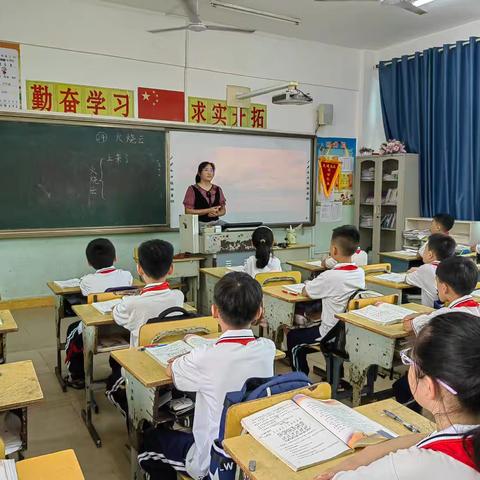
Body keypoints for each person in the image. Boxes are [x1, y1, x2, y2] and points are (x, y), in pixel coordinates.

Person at [138, 272, 276, 480]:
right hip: (250, 452)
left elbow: (171, 370)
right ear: (259, 313)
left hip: (214, 462)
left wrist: (192, 351)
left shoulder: (203, 358)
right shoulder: (267, 348)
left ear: (214, 311)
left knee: (151, 441)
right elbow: (232, 349)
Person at [315, 312, 480, 479]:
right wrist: (373, 451)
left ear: (430, 387)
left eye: (409, 361)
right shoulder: (465, 434)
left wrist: (348, 465)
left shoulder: (413, 466)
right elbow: (429, 437)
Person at [105, 239, 184, 415]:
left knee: (111, 386)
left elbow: (117, 316)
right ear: (171, 269)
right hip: (171, 364)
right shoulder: (178, 297)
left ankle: (137, 416)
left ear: (139, 269)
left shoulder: (131, 303)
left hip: (141, 369)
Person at [287, 225, 365, 375]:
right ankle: (337, 374)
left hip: (329, 334)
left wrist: (309, 283)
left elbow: (306, 291)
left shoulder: (330, 277)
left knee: (293, 337)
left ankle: (301, 378)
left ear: (334, 250)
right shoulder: (359, 273)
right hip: (348, 333)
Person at [64, 238, 133, 389]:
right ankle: (118, 372)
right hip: (124, 328)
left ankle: (77, 376)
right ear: (115, 258)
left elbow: (82, 291)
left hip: (95, 331)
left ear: (89, 262)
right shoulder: (127, 275)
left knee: (72, 330)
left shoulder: (87, 281)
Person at [403, 256, 480, 335]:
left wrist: (416, 317)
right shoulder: (476, 307)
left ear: (444, 288)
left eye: (437, 282)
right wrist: (424, 314)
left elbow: (408, 326)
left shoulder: (444, 315)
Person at [405, 233, 456, 307]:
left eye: (424, 250)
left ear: (430, 255)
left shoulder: (426, 269)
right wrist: (419, 270)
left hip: (431, 312)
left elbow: (407, 279)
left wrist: (416, 271)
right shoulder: (453, 267)